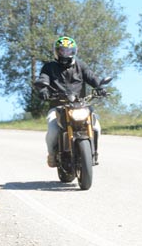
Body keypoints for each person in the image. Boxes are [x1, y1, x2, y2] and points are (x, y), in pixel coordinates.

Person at [35, 36, 106, 167]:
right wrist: (43, 90)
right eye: (62, 50)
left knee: (96, 127)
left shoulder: (80, 65)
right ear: (57, 51)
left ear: (74, 51)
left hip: (81, 105)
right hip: (58, 105)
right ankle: (52, 154)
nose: (65, 54)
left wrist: (99, 87)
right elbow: (43, 79)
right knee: (53, 129)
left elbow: (91, 76)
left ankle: (94, 152)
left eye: (69, 51)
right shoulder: (49, 67)